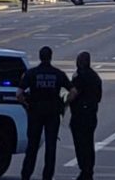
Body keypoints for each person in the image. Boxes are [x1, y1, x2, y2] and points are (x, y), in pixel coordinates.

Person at [17, 46, 77, 180]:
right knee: (51, 146)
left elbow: (19, 94)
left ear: (40, 57)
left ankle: (26, 174)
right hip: (53, 113)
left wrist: (26, 105)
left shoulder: (31, 73)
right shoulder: (58, 74)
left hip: (35, 112)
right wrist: (65, 104)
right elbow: (73, 91)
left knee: (32, 145)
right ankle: (47, 175)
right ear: (51, 57)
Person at [69, 51, 103, 180]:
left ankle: (84, 169)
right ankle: (89, 169)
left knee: (80, 143)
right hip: (91, 114)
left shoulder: (79, 76)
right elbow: (99, 97)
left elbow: (73, 94)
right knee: (89, 143)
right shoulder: (95, 77)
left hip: (79, 114)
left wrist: (64, 101)